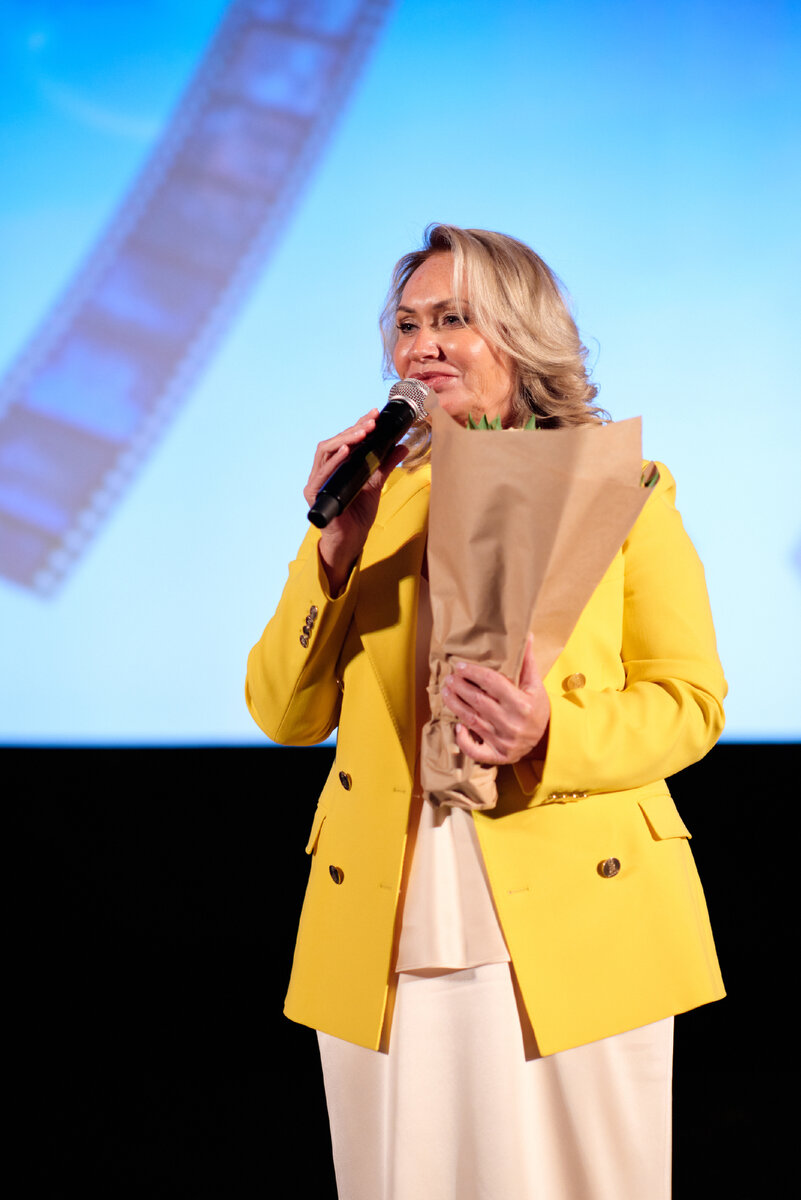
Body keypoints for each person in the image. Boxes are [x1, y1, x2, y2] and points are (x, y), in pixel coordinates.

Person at [245, 224, 726, 1199]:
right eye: (407, 323)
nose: (421, 345)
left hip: (579, 910)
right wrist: (331, 551)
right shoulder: (377, 501)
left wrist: (551, 735)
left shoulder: (622, 487)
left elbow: (689, 703)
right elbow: (283, 714)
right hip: (390, 916)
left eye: (452, 319)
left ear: (520, 333)